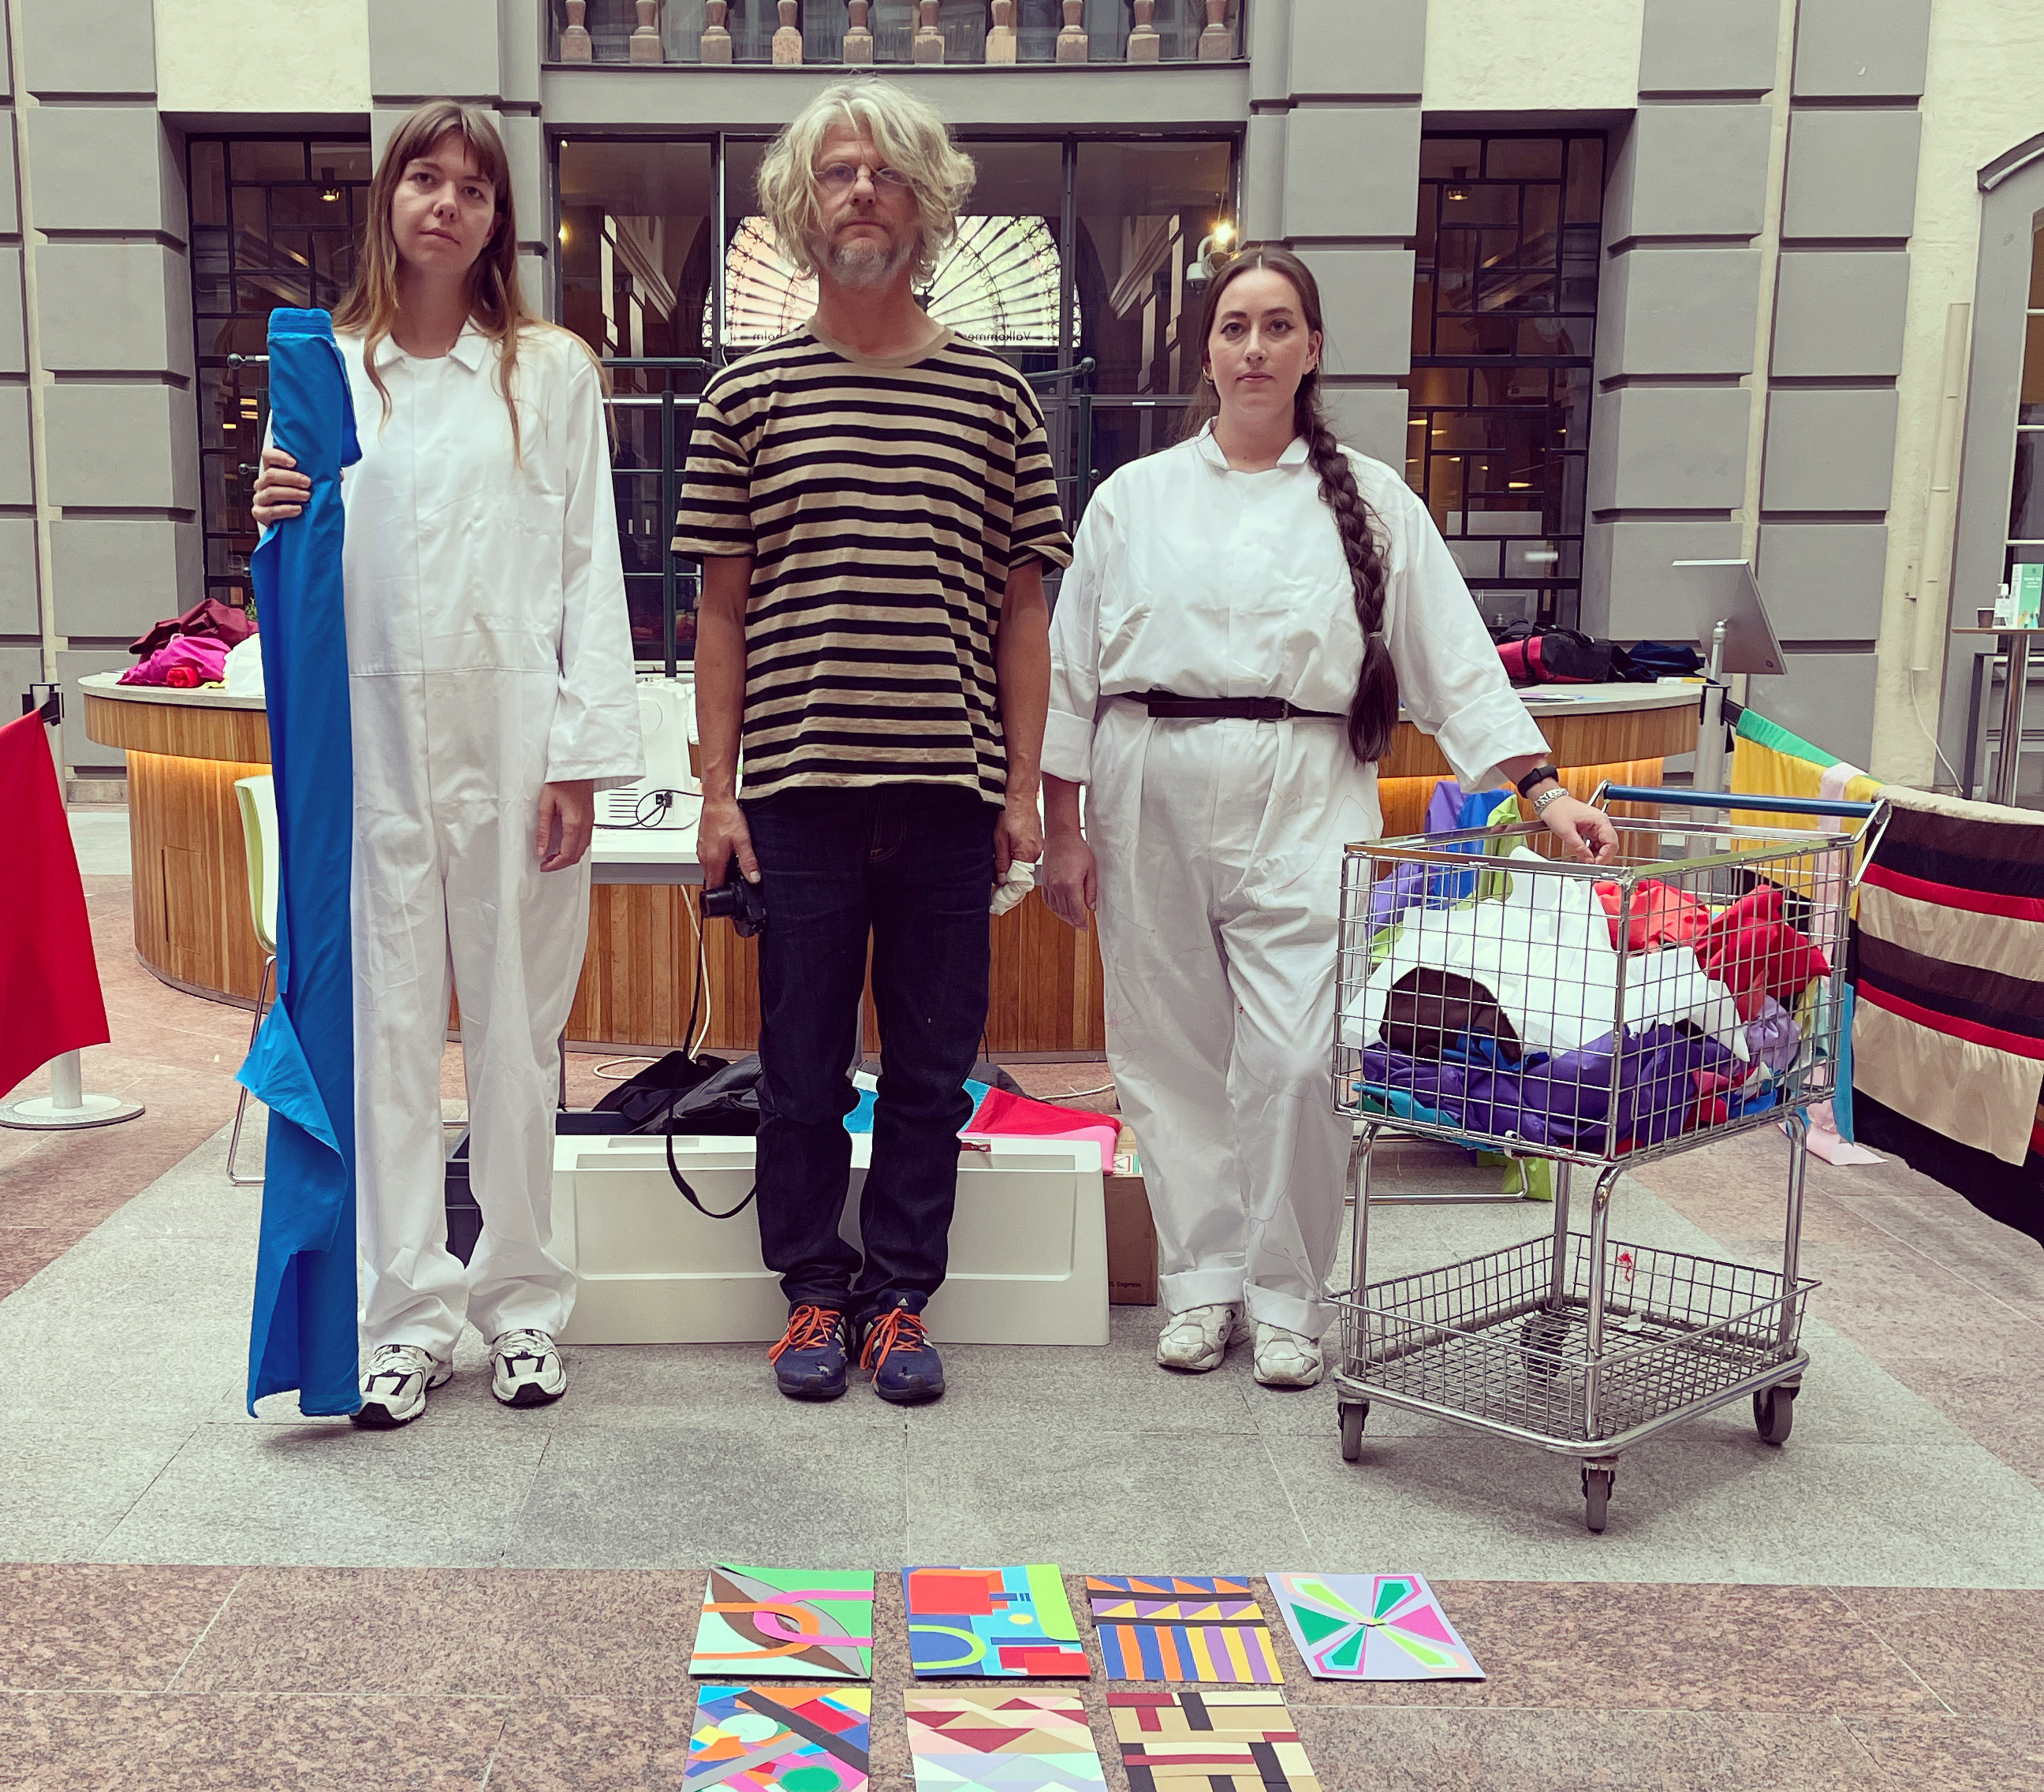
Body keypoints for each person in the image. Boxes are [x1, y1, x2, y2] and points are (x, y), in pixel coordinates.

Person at [1041, 244, 1618, 1387]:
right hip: (1145, 772)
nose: (1253, 348)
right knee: (1167, 1052)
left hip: (1306, 784)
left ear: (1311, 348)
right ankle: (1202, 1284)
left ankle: (1291, 1292)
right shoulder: (1133, 499)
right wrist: (1060, 824)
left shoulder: (1375, 502)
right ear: (1206, 351)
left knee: (1300, 1057)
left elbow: (1454, 660)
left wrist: (1539, 790)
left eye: (1277, 327)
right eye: (1233, 327)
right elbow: (1070, 673)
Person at [677, 81, 1070, 1407]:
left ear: (926, 204)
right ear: (800, 206)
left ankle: (897, 1299)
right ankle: (807, 1293)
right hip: (792, 799)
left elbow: (1025, 612)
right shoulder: (743, 399)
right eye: (837, 173)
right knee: (794, 1071)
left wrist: (1020, 788)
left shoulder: (995, 401)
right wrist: (714, 793)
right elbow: (717, 613)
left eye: (885, 174)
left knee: (927, 1067)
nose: (860, 192)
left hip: (950, 797)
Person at [252, 102, 641, 1424]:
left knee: (520, 1041)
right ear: (388, 200)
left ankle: (521, 1304)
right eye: (424, 177)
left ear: (497, 221)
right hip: (373, 755)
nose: (446, 203)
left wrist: (581, 757)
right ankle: (404, 1313)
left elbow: (590, 563)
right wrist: (272, 513)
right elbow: (297, 568)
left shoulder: (549, 371)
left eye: (473, 187)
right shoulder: (328, 367)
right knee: (389, 1036)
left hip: (514, 739)